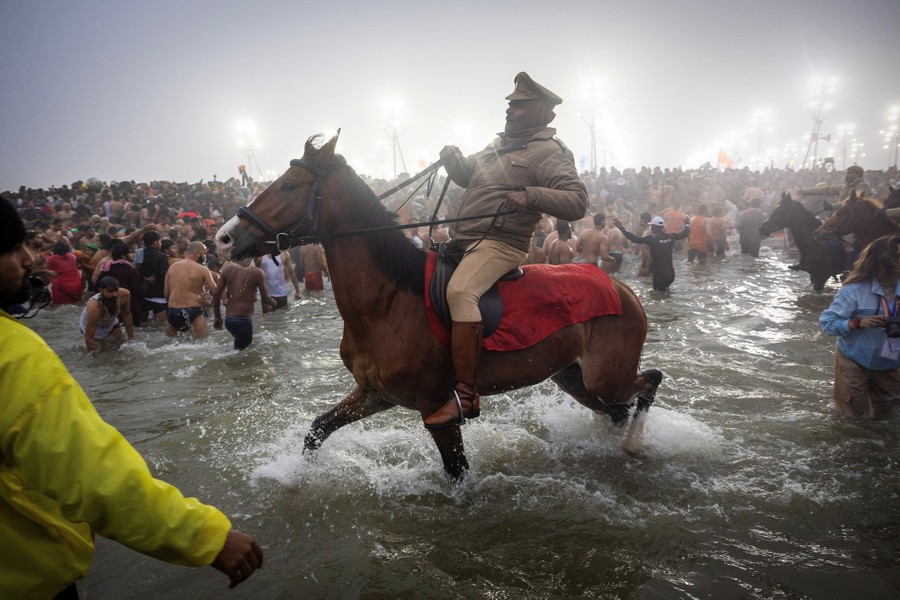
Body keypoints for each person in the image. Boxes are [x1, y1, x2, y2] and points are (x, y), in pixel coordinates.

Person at [0, 202, 262, 598]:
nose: (28, 257)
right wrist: (204, 537)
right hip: (27, 583)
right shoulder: (12, 353)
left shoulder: (168, 270)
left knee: (173, 350)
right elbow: (90, 473)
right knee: (212, 352)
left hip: (171, 316)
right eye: (12, 247)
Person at [424, 71, 588, 428]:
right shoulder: (498, 143)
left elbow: (577, 202)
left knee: (461, 292)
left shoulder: (550, 153)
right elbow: (471, 176)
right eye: (510, 104)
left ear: (540, 111)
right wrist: (455, 161)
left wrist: (532, 195)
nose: (509, 110)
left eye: (518, 105)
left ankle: (465, 396)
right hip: (466, 239)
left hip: (503, 244)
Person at [820, 235, 900, 419]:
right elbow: (827, 324)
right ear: (883, 260)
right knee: (860, 418)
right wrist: (858, 323)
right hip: (854, 360)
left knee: (889, 415)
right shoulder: (853, 291)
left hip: (890, 362)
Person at [613, 215, 690, 292]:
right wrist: (687, 224)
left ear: (654, 227)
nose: (651, 228)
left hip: (660, 275)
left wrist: (621, 228)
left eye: (652, 226)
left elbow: (635, 239)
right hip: (671, 274)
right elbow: (685, 233)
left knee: (657, 299)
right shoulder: (671, 236)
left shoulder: (651, 238)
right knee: (666, 295)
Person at [212, 258, 275, 350]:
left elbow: (216, 294)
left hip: (229, 320)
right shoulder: (257, 272)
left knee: (239, 348)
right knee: (242, 353)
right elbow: (265, 299)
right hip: (243, 321)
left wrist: (217, 317)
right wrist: (273, 302)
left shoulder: (227, 269)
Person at [163, 241, 216, 337]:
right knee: (203, 342)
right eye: (203, 253)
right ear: (196, 253)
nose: (205, 256)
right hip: (193, 310)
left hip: (172, 311)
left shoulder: (171, 268)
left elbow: (166, 294)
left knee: (171, 343)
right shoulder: (203, 269)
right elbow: (216, 291)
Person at [96, 242, 147, 326]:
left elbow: (98, 285)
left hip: (110, 306)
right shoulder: (130, 269)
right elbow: (139, 290)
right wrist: (146, 282)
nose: (133, 255)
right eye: (130, 253)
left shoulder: (107, 267)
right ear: (124, 256)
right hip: (130, 307)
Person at [81, 275, 134, 352]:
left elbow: (127, 315)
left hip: (111, 320)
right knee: (100, 350)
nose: (114, 294)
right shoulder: (94, 308)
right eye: (110, 291)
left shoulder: (124, 295)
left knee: (121, 344)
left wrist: (131, 338)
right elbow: (89, 338)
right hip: (94, 325)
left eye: (116, 290)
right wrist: (93, 357)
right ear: (101, 290)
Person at [139, 230, 169, 323]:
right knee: (161, 326)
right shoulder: (162, 256)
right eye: (159, 241)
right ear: (155, 242)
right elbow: (165, 275)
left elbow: (135, 271)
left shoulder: (139, 254)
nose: (160, 244)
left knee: (142, 323)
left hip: (143, 294)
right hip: (159, 296)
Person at [45, 239, 84, 305]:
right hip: (76, 285)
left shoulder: (51, 259)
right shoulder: (72, 256)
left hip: (62, 287)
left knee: (58, 306)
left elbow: (50, 273)